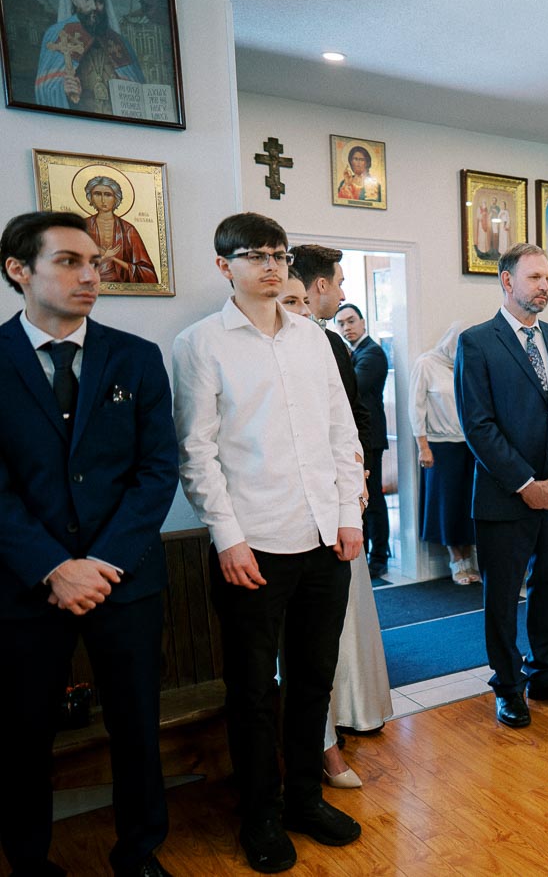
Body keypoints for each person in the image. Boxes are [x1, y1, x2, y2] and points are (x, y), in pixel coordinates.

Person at [173, 213, 364, 873]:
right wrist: (227, 539)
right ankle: (260, 814)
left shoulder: (314, 339)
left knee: (313, 679)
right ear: (224, 265)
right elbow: (196, 454)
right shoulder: (201, 345)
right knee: (253, 690)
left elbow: (342, 433)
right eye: (254, 254)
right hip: (252, 544)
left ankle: (305, 799)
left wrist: (349, 516)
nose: (271, 265)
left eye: (278, 254)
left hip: (323, 538)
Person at [0, 211, 178, 877]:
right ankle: (29, 860)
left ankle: (139, 854)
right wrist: (52, 566)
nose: (91, 274)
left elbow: (157, 468)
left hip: (124, 578)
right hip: (23, 585)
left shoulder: (135, 356)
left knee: (136, 727)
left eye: (95, 262)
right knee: (23, 736)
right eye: (70, 261)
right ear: (20, 270)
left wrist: (100, 563)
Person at [455, 242, 548, 729]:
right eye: (536, 277)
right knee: (502, 595)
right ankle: (508, 685)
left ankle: (546, 674)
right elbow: (478, 426)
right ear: (507, 281)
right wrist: (524, 483)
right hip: (504, 496)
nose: (545, 287)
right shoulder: (477, 343)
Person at [288, 245, 393, 789]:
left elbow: (349, 423)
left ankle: (348, 709)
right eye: (339, 282)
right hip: (281, 515)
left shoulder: (331, 344)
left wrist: (356, 483)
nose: (343, 292)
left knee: (340, 617)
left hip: (336, 499)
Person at [409, 323, 478, 584]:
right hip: (440, 446)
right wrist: (423, 446)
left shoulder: (469, 365)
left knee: (468, 505)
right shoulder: (426, 363)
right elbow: (416, 408)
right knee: (447, 506)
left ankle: (471, 559)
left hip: (469, 446)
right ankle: (457, 561)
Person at [34, 0, 146, 114]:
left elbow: (139, 89)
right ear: (74, 0)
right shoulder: (58, 34)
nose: (93, 7)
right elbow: (44, 88)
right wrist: (63, 89)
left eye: (99, 1)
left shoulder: (119, 42)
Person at [336, 303, 392, 578]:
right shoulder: (355, 353)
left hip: (370, 438)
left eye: (351, 321)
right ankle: (368, 552)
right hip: (358, 438)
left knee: (374, 500)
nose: (347, 327)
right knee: (360, 497)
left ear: (363, 322)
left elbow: (352, 387)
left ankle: (380, 557)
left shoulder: (373, 353)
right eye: (341, 323)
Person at [83, 176, 157, 284]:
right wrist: (105, 257)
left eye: (108, 195)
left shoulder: (128, 229)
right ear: (91, 197)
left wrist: (114, 259)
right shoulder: (82, 227)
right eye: (97, 194)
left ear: (116, 198)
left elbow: (147, 273)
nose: (103, 200)